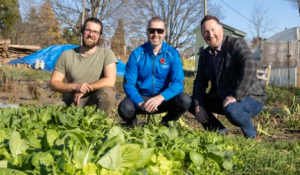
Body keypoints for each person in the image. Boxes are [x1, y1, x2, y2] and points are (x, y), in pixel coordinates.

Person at [190, 15, 267, 140]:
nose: (210, 34)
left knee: (233, 109)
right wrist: (198, 106)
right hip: (223, 99)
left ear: (221, 29)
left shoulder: (236, 44)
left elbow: (250, 65)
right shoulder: (204, 55)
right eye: (206, 32)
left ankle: (252, 137)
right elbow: (200, 82)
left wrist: (236, 96)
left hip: (251, 97)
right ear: (203, 35)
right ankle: (221, 133)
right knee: (191, 102)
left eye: (213, 30)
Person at [118, 17, 191, 126]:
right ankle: (134, 126)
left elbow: (178, 83)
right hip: (142, 98)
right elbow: (129, 84)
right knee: (124, 107)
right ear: (147, 32)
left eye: (160, 31)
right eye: (152, 30)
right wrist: (140, 103)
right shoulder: (136, 54)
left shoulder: (172, 54)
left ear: (165, 32)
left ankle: (165, 124)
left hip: (163, 99)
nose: (155, 34)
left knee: (185, 99)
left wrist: (161, 97)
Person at [50, 17, 117, 115]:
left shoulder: (106, 54)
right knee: (51, 116)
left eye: (95, 32)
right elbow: (53, 83)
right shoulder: (67, 55)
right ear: (82, 31)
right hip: (71, 102)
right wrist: (75, 87)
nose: (91, 34)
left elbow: (110, 81)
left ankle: (98, 125)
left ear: (100, 36)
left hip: (93, 101)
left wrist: (85, 89)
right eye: (88, 30)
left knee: (108, 93)